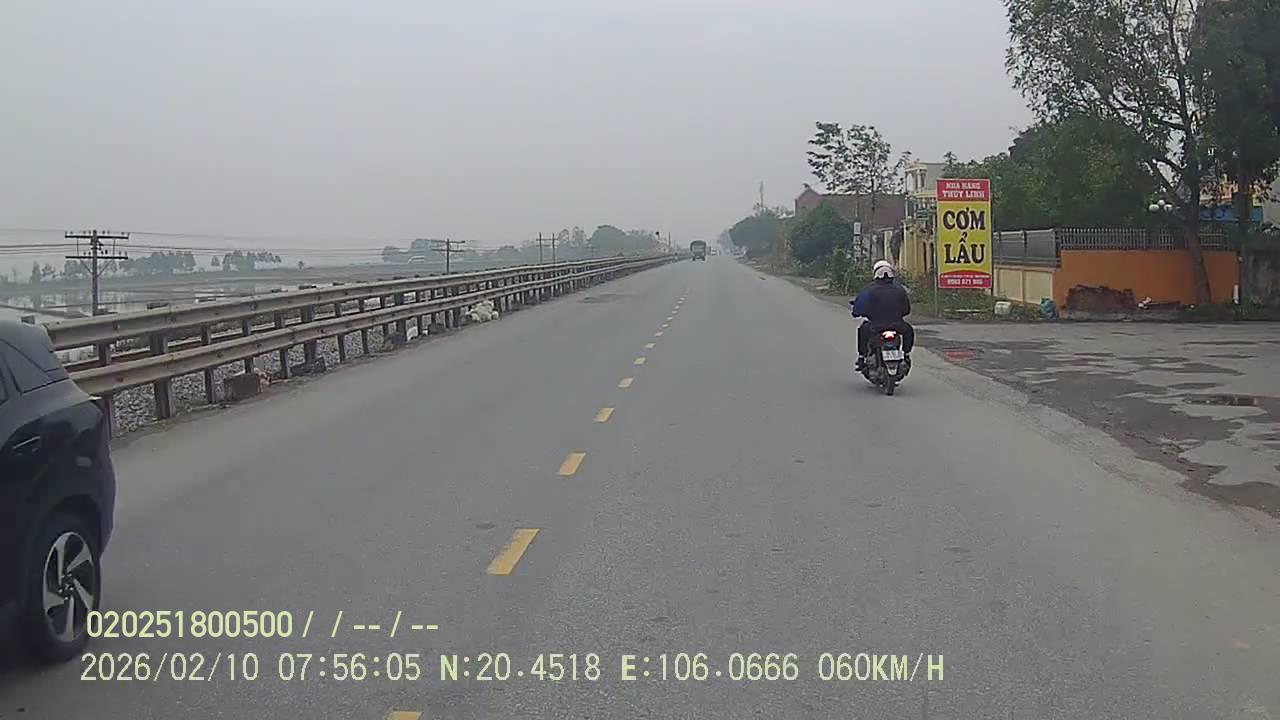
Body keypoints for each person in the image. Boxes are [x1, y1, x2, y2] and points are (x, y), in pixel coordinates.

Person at [851, 260, 914, 370]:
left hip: (876, 326)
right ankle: (906, 355)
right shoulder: (900, 289)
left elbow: (859, 307)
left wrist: (857, 312)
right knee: (909, 331)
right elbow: (906, 310)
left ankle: (861, 357)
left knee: (862, 330)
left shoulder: (869, 290)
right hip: (898, 326)